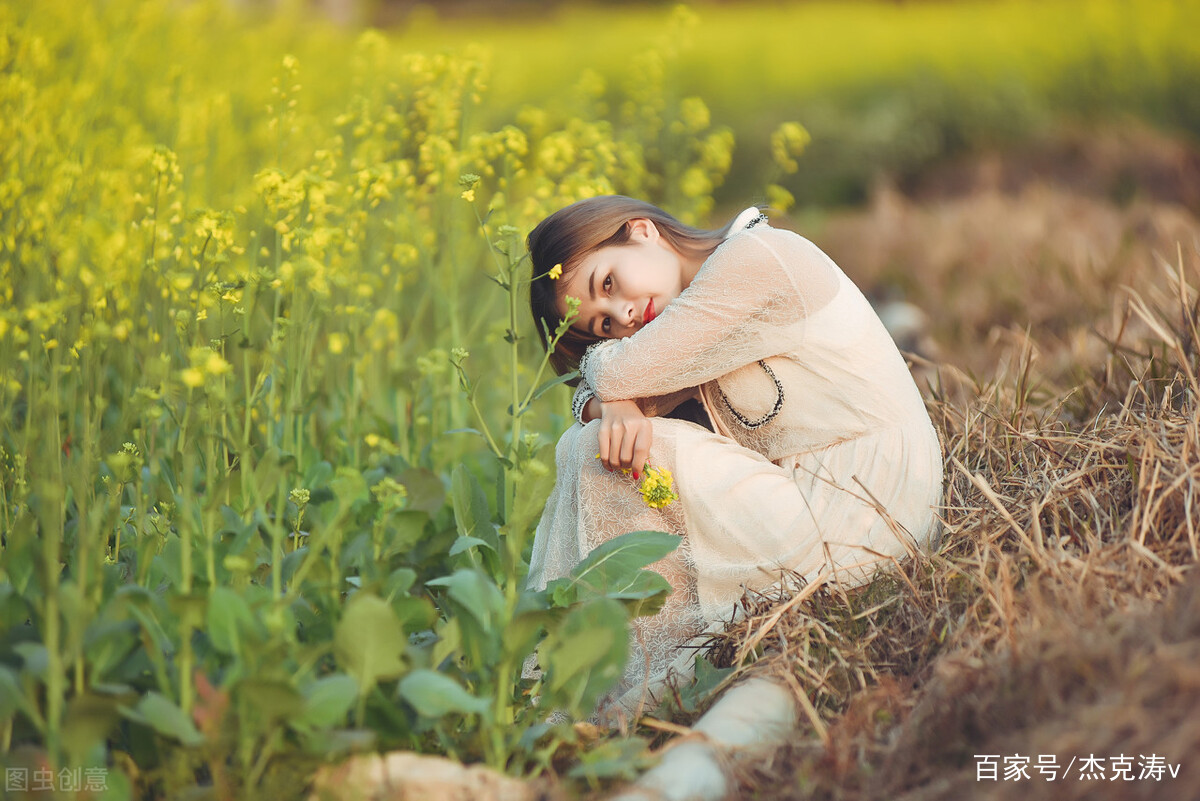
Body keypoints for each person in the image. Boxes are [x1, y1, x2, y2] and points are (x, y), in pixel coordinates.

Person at [524, 196, 943, 725]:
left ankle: (592, 684)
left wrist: (613, 393)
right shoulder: (686, 314)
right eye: (605, 325)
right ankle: (630, 670)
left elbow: (612, 377)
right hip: (827, 502)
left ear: (641, 231)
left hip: (869, 506)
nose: (625, 314)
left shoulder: (755, 260)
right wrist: (611, 402)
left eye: (607, 284)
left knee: (599, 452)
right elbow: (593, 396)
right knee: (605, 449)